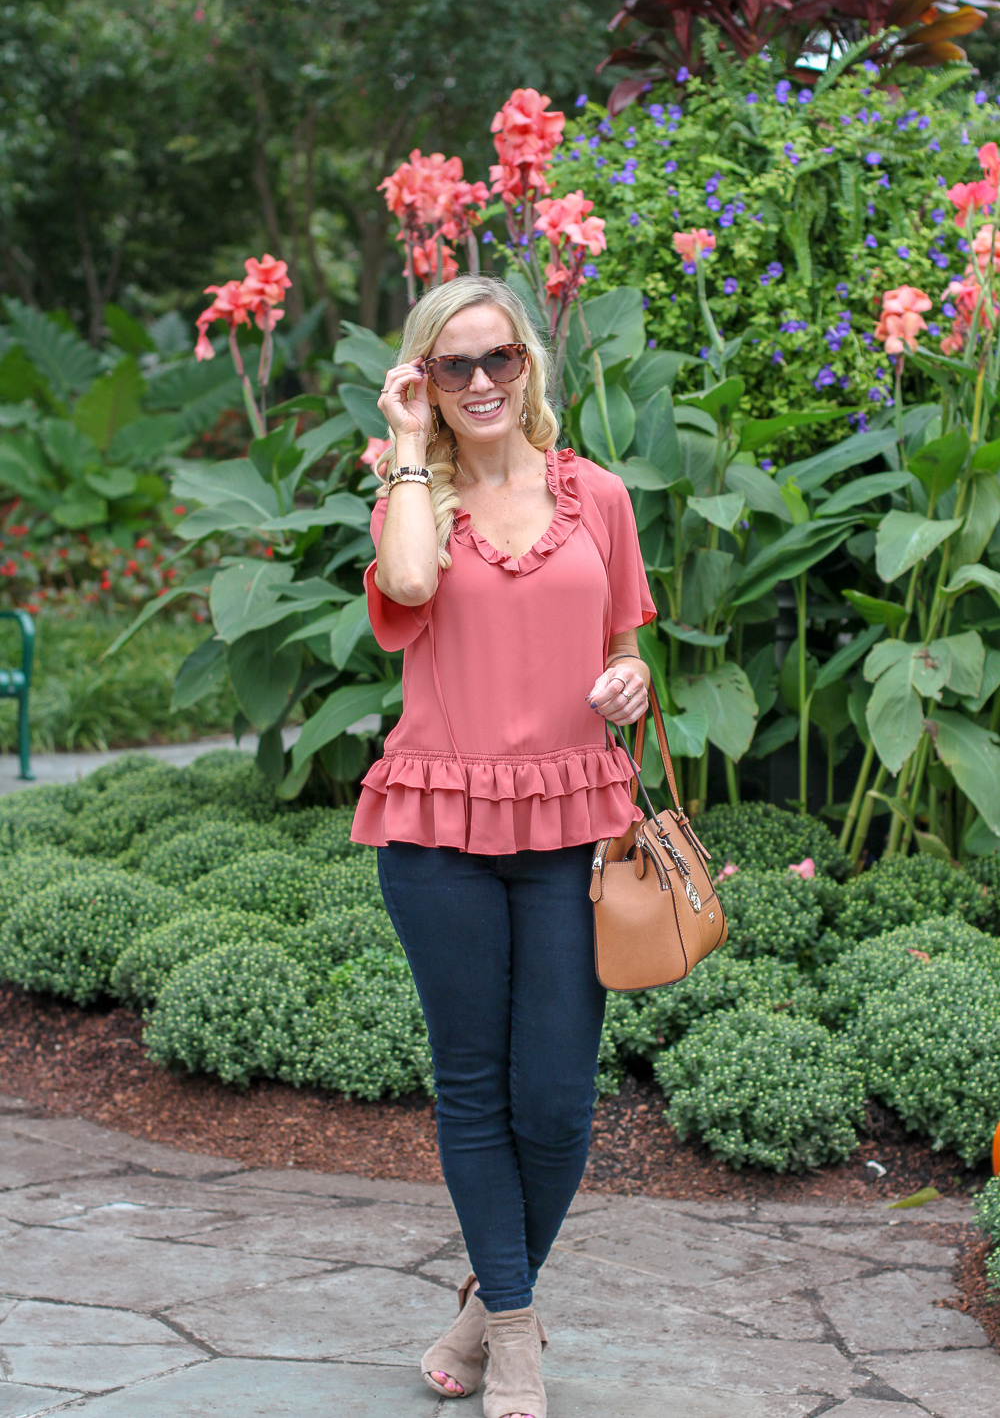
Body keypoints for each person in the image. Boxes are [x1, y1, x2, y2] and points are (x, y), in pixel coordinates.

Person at [350, 274, 654, 1418]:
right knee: (473, 1086)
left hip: (576, 822)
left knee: (561, 1101)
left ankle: (485, 1306)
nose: (480, 382)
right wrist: (407, 450)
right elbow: (413, 584)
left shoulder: (601, 498)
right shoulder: (407, 496)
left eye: (498, 360)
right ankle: (519, 1337)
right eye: (451, 365)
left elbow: (627, 650)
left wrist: (627, 683)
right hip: (437, 825)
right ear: (421, 380)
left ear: (528, 363)